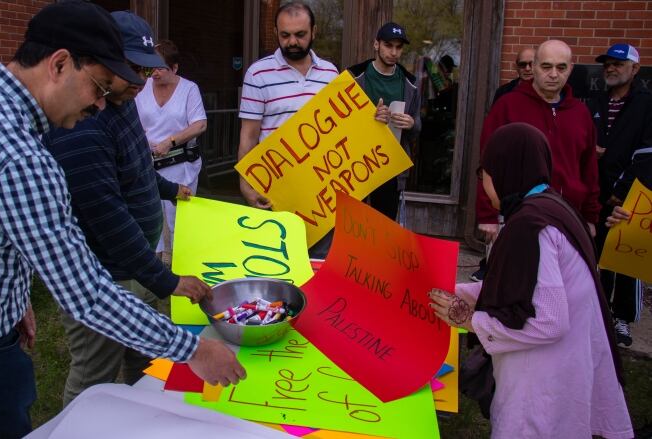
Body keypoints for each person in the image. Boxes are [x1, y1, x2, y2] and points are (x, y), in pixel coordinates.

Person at [0, 2, 244, 437]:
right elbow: (87, 296)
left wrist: (11, 300)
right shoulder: (21, 158)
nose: (99, 106)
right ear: (59, 64)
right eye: (98, 88)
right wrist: (192, 349)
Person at [42, 12, 214, 406]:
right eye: (131, 69)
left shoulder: (120, 102)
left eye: (145, 69)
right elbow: (107, 215)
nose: (140, 80)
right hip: (104, 280)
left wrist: (171, 190)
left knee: (150, 368)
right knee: (94, 381)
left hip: (138, 267)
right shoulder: (83, 124)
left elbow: (136, 170)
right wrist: (165, 279)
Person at [430, 123, 633, 439]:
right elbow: (522, 284)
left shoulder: (529, 226)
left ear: (504, 169)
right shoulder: (552, 206)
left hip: (542, 380)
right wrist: (455, 292)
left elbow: (548, 320)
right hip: (564, 368)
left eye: (484, 171)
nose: (483, 182)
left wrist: (468, 319)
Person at [476, 40, 600, 253]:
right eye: (546, 66)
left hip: (568, 217)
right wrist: (488, 215)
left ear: (570, 69)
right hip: (517, 217)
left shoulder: (580, 113)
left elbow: (589, 169)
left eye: (561, 67)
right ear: (533, 67)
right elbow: (487, 165)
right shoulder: (508, 106)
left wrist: (590, 216)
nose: (553, 74)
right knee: (514, 284)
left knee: (559, 285)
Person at [237, 1, 338, 257]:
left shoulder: (330, 73)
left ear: (314, 32)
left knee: (319, 265)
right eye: (285, 35)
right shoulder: (257, 74)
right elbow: (248, 135)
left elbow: (340, 132)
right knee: (277, 266)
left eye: (300, 34)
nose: (292, 41)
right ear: (276, 33)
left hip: (321, 192)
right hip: (275, 192)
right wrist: (245, 183)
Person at [588, 43, 652, 347]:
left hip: (631, 195)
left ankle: (622, 318)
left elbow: (648, 152)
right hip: (596, 193)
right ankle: (598, 313)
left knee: (625, 260)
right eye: (607, 64)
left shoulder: (646, 103)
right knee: (598, 255)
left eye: (618, 64)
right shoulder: (596, 101)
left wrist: (622, 191)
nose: (611, 68)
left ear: (635, 69)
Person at [136, 39, 208, 256]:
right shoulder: (141, 87)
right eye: (151, 67)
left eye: (161, 68)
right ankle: (155, 267)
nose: (155, 73)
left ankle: (181, 267)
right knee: (150, 218)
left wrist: (171, 141)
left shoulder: (188, 89)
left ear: (175, 68)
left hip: (180, 163)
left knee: (179, 221)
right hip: (148, 163)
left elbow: (200, 124)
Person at [472, 47, 537, 282]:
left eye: (532, 64)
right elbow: (490, 150)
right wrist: (487, 210)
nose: (528, 69)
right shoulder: (505, 97)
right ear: (516, 67)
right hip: (507, 186)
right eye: (523, 64)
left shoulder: (560, 104)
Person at [347, 21, 421, 222]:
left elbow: (417, 127)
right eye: (389, 45)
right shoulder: (354, 77)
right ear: (376, 45)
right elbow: (340, 125)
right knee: (353, 225)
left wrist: (411, 124)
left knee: (383, 228)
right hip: (355, 165)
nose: (394, 52)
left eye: (398, 47)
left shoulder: (410, 84)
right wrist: (369, 120)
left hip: (390, 168)